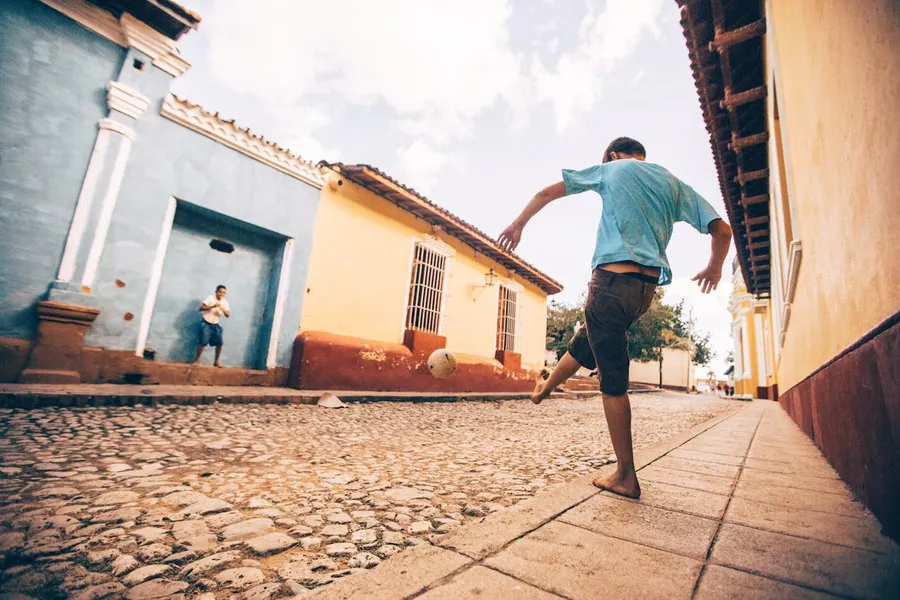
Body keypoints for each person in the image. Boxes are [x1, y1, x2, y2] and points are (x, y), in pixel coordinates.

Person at [498, 136, 732, 499]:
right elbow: (722, 229)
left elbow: (546, 193)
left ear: (612, 155)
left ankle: (625, 474)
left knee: (613, 379)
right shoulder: (671, 182)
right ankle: (545, 387)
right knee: (588, 339)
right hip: (644, 292)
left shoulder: (611, 169)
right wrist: (714, 268)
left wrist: (517, 225)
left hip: (611, 281)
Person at [193, 285, 230, 367]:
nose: (222, 294)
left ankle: (216, 362)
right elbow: (201, 308)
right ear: (216, 292)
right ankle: (196, 361)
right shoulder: (210, 298)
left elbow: (228, 315)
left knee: (219, 343)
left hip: (216, 324)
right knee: (203, 342)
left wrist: (223, 309)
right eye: (220, 292)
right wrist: (212, 306)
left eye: (224, 293)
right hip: (206, 322)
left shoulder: (225, 302)